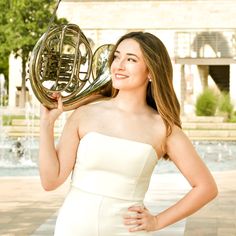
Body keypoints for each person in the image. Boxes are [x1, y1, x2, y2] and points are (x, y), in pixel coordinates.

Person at [39, 31, 218, 235]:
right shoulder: (84, 114)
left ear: (151, 71)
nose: (119, 65)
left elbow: (206, 187)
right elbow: (51, 181)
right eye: (117, 56)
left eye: (131, 59)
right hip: (73, 227)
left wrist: (158, 221)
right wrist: (46, 125)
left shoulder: (164, 129)